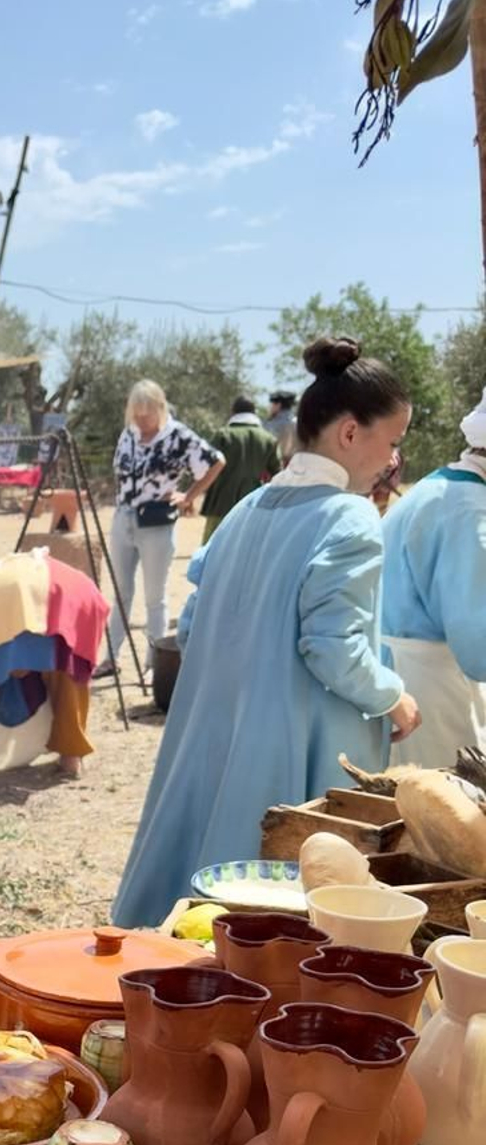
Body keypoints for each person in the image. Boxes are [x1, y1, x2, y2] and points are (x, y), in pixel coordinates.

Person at [114, 337, 420, 927]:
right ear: (351, 434)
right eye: (393, 442)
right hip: (291, 755)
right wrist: (394, 698)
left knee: (196, 918)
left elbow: (195, 624)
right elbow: (334, 649)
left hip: (214, 737)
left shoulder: (245, 512)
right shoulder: (351, 518)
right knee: (272, 929)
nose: (392, 461)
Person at [378, 383, 486, 765]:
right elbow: (479, 647)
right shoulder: (470, 512)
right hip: (430, 690)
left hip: (405, 676)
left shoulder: (442, 486)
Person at [104, 381, 223, 667]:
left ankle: (153, 663)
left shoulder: (178, 436)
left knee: (154, 597)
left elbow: (216, 461)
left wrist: (189, 496)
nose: (142, 420)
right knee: (120, 592)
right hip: (123, 518)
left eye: (147, 414)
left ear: (160, 408)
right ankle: (111, 658)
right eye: (137, 414)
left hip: (156, 523)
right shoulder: (128, 435)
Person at [199, 394, 282, 540]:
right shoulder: (268, 439)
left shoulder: (223, 435)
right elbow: (278, 473)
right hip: (252, 503)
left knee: (212, 548)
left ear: (233, 412)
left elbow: (206, 465)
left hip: (221, 502)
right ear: (254, 413)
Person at [265, 390, 298, 462]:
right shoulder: (298, 422)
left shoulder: (272, 424)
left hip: (275, 463)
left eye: (272, 404)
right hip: (296, 463)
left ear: (278, 405)